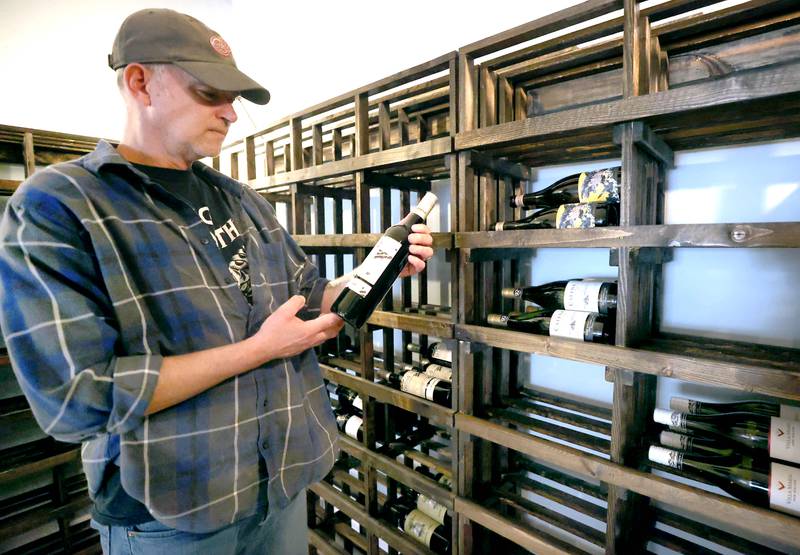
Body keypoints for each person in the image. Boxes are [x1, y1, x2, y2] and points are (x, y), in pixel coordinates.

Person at [0, 8, 434, 554]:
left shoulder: (241, 200)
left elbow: (309, 295)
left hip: (279, 486)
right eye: (211, 92)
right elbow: (75, 398)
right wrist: (256, 351)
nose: (231, 112)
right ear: (140, 82)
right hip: (169, 514)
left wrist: (378, 270)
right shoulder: (59, 204)